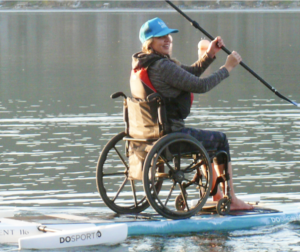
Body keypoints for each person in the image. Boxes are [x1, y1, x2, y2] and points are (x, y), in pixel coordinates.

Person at [130, 17, 253, 211]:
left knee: (205, 144)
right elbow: (201, 85)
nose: (167, 40)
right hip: (171, 136)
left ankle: (216, 195)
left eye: (168, 35)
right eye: (160, 37)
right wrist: (227, 68)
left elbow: (191, 73)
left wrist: (211, 54)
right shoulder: (163, 67)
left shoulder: (144, 64)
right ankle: (232, 198)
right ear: (149, 43)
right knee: (220, 141)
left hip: (149, 136)